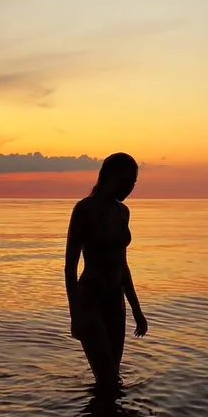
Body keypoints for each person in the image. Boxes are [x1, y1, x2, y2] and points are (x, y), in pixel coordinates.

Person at [65, 152, 147, 386]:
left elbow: (123, 266)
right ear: (108, 177)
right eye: (125, 182)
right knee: (109, 379)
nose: (129, 188)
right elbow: (70, 268)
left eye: (133, 183)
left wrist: (137, 310)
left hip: (115, 302)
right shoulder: (84, 209)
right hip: (90, 301)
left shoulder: (123, 213)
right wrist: (75, 315)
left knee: (113, 379)